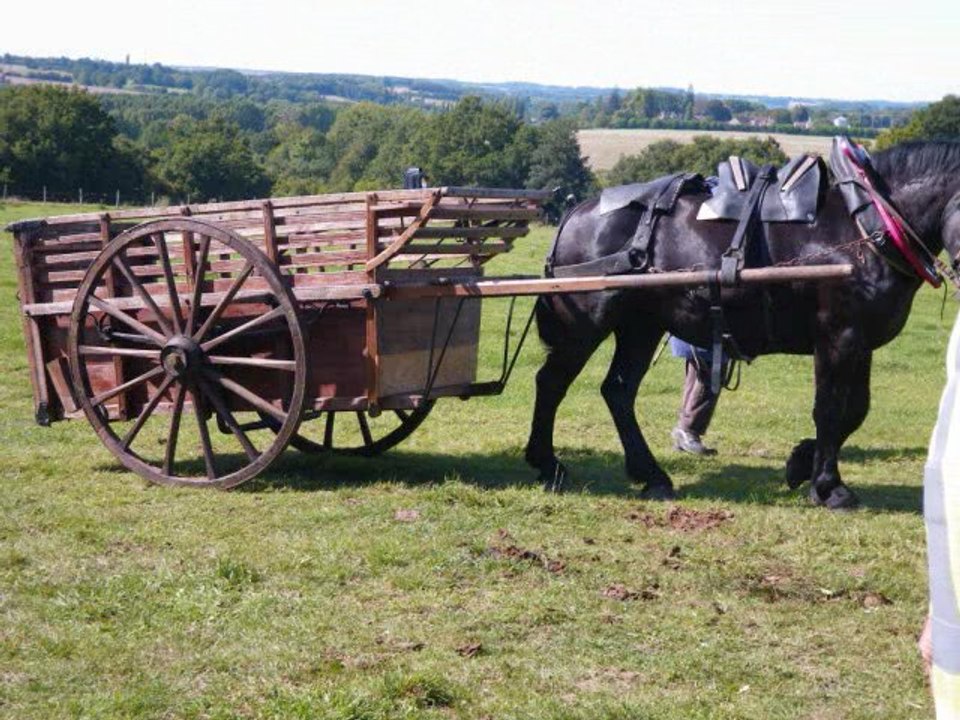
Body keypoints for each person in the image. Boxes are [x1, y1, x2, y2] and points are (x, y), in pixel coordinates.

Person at [669, 336, 727, 456]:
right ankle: (688, 431)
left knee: (700, 368)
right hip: (706, 329)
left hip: (701, 330)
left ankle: (685, 432)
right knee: (711, 370)